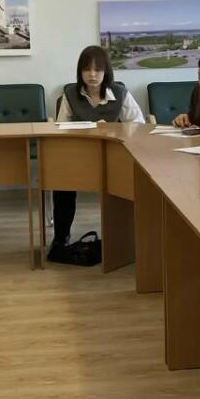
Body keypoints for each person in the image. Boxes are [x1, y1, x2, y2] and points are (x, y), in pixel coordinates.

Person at [49, 46, 146, 261]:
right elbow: (61, 127)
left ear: (106, 72)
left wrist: (112, 129)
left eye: (97, 70)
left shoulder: (120, 93)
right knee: (62, 182)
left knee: (125, 180)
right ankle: (61, 239)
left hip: (113, 156)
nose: (92, 75)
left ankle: (121, 239)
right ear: (80, 72)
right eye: (86, 70)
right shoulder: (70, 95)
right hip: (80, 156)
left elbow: (138, 125)